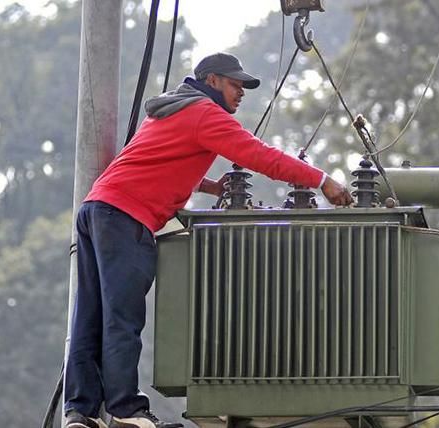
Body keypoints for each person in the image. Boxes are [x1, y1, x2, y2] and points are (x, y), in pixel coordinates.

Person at [63, 52, 354, 428]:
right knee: (122, 316)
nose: (241, 92)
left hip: (97, 209)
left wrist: (206, 184)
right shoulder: (204, 113)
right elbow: (257, 155)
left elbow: (155, 158)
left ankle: (80, 412)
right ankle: (125, 410)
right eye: (236, 84)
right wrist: (321, 180)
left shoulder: (170, 108)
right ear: (212, 80)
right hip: (126, 217)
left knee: (90, 316)